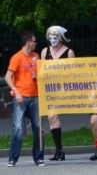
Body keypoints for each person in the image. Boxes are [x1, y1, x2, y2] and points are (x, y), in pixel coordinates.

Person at [5, 31, 43, 167]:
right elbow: (8, 76)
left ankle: (38, 158)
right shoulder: (17, 57)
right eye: (34, 41)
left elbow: (40, 74)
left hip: (35, 97)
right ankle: (12, 159)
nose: (36, 43)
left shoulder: (36, 56)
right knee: (18, 129)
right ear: (28, 42)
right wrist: (16, 92)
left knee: (38, 128)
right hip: (21, 98)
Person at [40, 25, 74, 161]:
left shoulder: (69, 52)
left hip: (62, 90)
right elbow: (42, 69)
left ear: (61, 37)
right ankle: (59, 150)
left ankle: (59, 150)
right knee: (51, 118)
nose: (52, 39)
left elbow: (73, 72)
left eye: (55, 36)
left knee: (53, 116)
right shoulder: (45, 51)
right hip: (49, 89)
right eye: (50, 36)